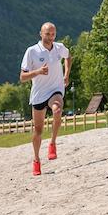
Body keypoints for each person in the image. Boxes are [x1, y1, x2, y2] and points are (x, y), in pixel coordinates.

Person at [19, 22, 71, 176]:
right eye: (47, 34)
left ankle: (53, 143)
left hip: (55, 89)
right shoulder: (32, 51)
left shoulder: (59, 48)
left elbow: (68, 57)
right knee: (38, 130)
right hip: (39, 94)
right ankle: (36, 160)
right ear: (41, 34)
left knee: (57, 110)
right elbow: (22, 77)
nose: (50, 37)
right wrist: (38, 72)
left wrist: (66, 75)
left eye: (53, 34)